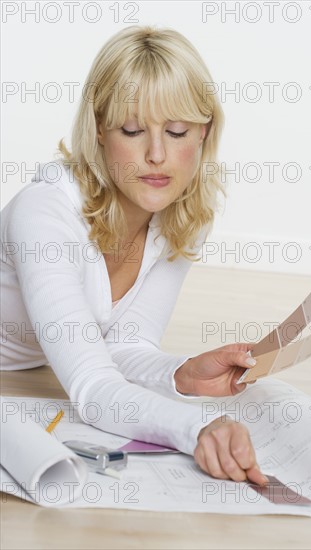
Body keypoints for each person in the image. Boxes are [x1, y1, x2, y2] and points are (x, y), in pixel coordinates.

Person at [0, 25, 268, 486]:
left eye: (178, 130)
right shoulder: (44, 214)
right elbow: (92, 387)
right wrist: (196, 427)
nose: (157, 155)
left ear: (203, 132)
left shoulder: (186, 213)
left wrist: (181, 374)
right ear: (100, 130)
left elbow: (124, 346)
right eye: (132, 130)